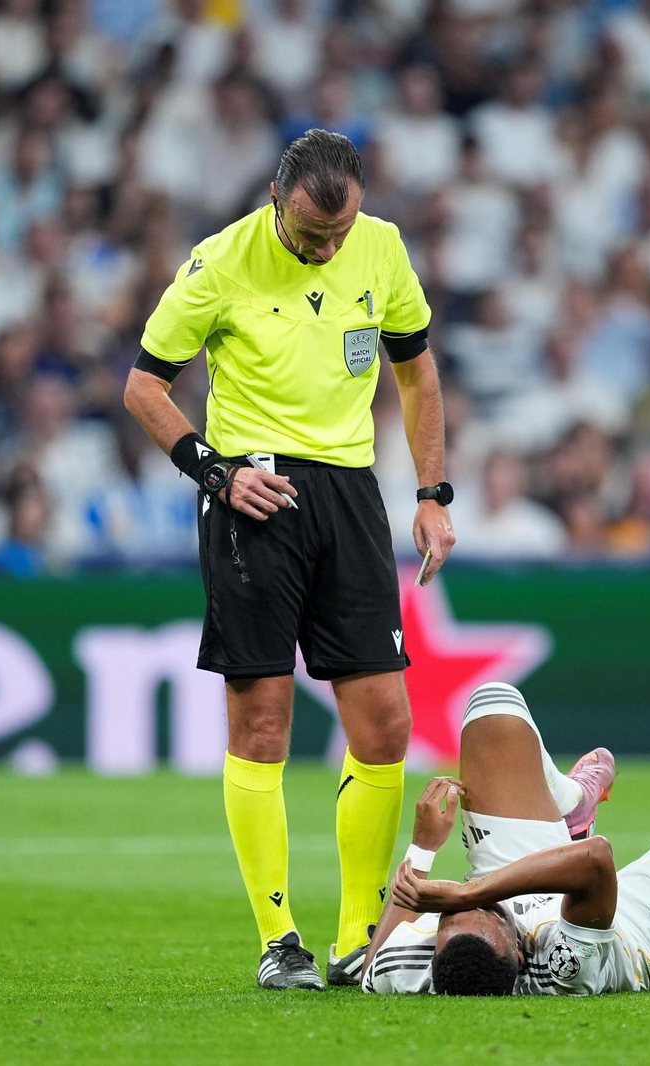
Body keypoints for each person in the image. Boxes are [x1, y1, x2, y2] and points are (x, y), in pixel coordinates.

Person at [123, 129, 455, 991]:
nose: (327, 250)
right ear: (277, 197)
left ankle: (358, 936)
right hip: (253, 495)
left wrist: (432, 493)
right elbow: (143, 387)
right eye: (312, 235)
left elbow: (417, 375)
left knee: (385, 725)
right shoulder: (219, 262)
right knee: (263, 724)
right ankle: (279, 938)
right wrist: (215, 473)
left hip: (350, 495)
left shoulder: (380, 246)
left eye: (338, 234)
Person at [358, 682, 650, 995]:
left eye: (450, 917)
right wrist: (467, 892)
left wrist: (424, 848)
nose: (463, 906)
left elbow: (372, 967)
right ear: (518, 953)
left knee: (493, 705)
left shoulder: (420, 969)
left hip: (514, 871)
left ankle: (569, 803)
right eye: (484, 912)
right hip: (629, 919)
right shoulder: (563, 969)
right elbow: (595, 860)